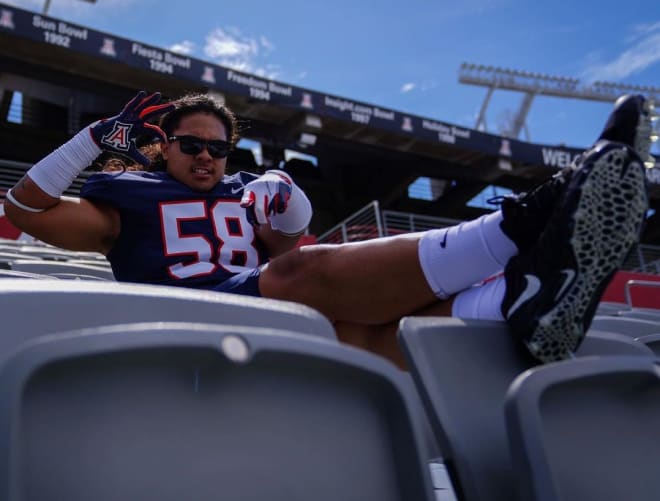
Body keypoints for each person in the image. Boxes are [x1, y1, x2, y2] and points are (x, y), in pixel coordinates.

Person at [4, 91, 653, 368]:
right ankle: (532, 217)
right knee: (298, 274)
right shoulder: (128, 196)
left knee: (371, 331)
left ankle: (518, 295)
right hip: (187, 319)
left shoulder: (239, 191)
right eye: (191, 144)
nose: (207, 157)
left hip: (276, 317)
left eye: (219, 148)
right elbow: (25, 210)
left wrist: (284, 197)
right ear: (161, 146)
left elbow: (297, 240)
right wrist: (93, 138)